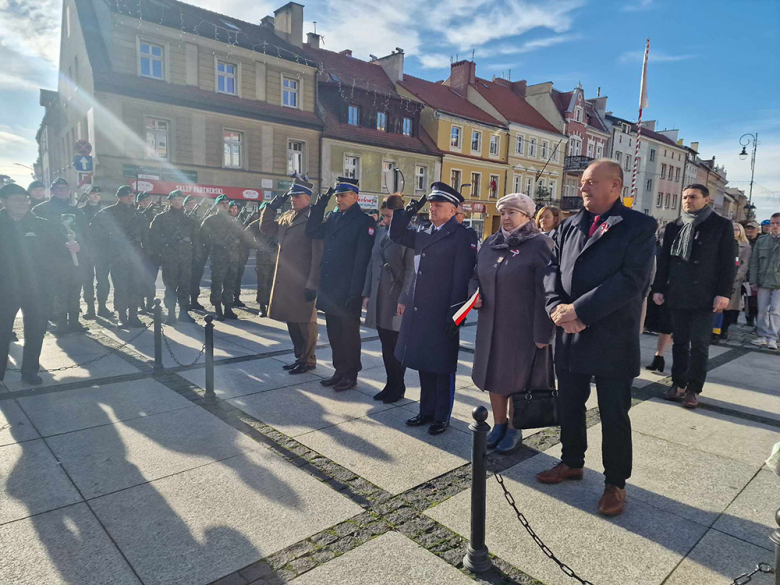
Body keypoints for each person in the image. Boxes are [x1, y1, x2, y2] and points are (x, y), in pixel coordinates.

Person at [539, 159, 656, 517]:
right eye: (582, 182)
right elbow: (552, 270)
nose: (583, 188)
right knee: (570, 403)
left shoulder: (638, 226)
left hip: (611, 333)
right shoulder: (568, 225)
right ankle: (571, 461)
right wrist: (557, 307)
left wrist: (581, 312)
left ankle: (616, 484)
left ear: (615, 186)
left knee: (613, 412)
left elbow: (632, 280)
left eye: (590, 182)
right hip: (569, 334)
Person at [390, 182, 478, 435]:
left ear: (453, 210)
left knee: (442, 366)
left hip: (443, 310)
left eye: (438, 205)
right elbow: (395, 234)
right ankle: (425, 410)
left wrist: (456, 315)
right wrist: (407, 211)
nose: (432, 209)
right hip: (421, 309)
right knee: (422, 362)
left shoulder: (463, 236)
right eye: (431, 205)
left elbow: (462, 278)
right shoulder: (423, 230)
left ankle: (442, 415)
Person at [471, 193, 553, 453]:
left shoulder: (541, 244)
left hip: (522, 328)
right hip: (491, 325)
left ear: (527, 217)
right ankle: (498, 424)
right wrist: (475, 295)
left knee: (518, 381)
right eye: (503, 212)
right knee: (494, 376)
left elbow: (547, 291)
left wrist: (544, 333)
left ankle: (515, 428)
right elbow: (475, 275)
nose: (506, 217)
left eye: (512, 212)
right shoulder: (490, 242)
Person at [653, 184, 735, 408]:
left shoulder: (721, 225)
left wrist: (723, 293)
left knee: (699, 343)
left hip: (706, 295)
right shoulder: (674, 226)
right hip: (678, 292)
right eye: (685, 197)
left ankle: (693, 389)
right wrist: (658, 288)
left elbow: (728, 263)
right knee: (679, 341)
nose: (688, 201)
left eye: (693, 197)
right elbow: (665, 261)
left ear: (706, 200)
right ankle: (678, 383)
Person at [1, 183, 78, 385]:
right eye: (16, 200)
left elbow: (62, 248)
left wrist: (72, 247)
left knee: (35, 330)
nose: (22, 204)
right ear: (3, 202)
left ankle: (30, 371)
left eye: (25, 200)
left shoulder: (42, 224)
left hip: (37, 287)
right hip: (5, 288)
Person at [306, 177, 375, 391]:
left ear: (355, 197)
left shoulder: (364, 222)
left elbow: (362, 259)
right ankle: (339, 370)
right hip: (330, 286)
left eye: (343, 195)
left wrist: (355, 291)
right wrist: (320, 204)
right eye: (336, 195)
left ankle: (351, 373)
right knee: (334, 333)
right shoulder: (333, 217)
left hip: (347, 289)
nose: (339, 199)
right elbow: (311, 231)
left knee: (349, 335)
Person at [252, 181, 323, 374]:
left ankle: (308, 360)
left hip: (303, 278)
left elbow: (318, 254)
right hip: (285, 277)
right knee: (291, 319)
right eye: (292, 196)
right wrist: (271, 207)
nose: (293, 199)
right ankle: (299, 356)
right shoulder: (286, 216)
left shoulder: (314, 219)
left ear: (308, 198)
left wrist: (313, 283)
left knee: (306, 321)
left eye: (297, 196)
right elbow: (266, 227)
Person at [362, 195, 415, 403]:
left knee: (395, 345)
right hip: (379, 294)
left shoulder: (409, 235)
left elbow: (411, 270)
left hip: (396, 296)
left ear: (399, 215)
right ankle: (390, 383)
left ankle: (398, 385)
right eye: (383, 216)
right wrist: (366, 293)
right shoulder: (381, 232)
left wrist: (404, 298)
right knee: (385, 343)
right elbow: (371, 263)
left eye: (388, 216)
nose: (384, 220)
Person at [32, 177, 89, 335]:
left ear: (68, 191)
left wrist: (79, 245)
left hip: (75, 258)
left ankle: (74, 321)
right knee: (59, 292)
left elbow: (86, 234)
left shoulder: (76, 212)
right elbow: (39, 237)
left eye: (64, 188)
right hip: (54, 259)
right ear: (52, 190)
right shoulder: (40, 210)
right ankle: (61, 323)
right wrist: (59, 245)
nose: (62, 191)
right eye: (58, 188)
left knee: (75, 291)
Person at [90, 186, 148, 328]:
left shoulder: (139, 215)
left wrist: (146, 253)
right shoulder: (107, 213)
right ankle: (122, 316)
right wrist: (108, 247)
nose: (130, 198)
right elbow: (95, 234)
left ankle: (134, 315)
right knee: (121, 286)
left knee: (135, 286)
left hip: (135, 255)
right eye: (127, 195)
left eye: (132, 196)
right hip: (117, 255)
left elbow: (146, 236)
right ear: (119, 197)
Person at [149, 190, 198, 324]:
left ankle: (183, 312)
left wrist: (196, 256)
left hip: (186, 258)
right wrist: (165, 245)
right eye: (175, 200)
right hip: (170, 257)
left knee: (185, 285)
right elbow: (153, 237)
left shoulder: (189, 220)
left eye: (180, 200)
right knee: (170, 286)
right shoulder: (161, 218)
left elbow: (196, 239)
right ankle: (170, 313)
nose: (177, 202)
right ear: (170, 201)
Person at [199, 195, 243, 321]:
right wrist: (214, 243)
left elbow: (242, 236)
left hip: (233, 257)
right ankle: (218, 309)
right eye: (222, 203)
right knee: (217, 282)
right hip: (219, 257)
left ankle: (228, 308)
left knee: (230, 283)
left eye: (227, 203)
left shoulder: (235, 220)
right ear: (217, 205)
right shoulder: (211, 220)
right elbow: (201, 236)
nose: (225, 205)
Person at [79, 185, 111, 319]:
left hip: (102, 250)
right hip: (86, 250)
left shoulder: (105, 212)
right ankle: (90, 308)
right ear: (87, 195)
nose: (95, 196)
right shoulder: (80, 212)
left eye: (98, 194)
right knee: (87, 280)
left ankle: (102, 306)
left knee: (103, 280)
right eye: (92, 194)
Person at [645, 227, 673, 373]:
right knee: (665, 326)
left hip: (667, 289)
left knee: (667, 326)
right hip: (657, 289)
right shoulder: (656, 247)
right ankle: (659, 356)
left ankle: (659, 356)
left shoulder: (661, 249)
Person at [750, 213, 780, 349]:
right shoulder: (762, 241)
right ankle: (762, 335)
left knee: (775, 310)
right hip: (763, 280)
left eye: (778, 223)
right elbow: (754, 262)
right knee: (762, 309)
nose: (774, 226)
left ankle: (772, 337)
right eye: (772, 223)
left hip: (778, 282)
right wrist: (753, 280)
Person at [719, 223, 752, 341]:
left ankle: (724, 329)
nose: (735, 231)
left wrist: (735, 276)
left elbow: (744, 265)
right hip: (721, 278)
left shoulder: (745, 247)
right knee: (719, 307)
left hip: (735, 280)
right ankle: (716, 329)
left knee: (730, 307)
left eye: (737, 229)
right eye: (733, 229)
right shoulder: (723, 242)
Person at [250, 202, 278, 317]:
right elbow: (245, 236)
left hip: (274, 258)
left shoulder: (276, 224)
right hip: (262, 258)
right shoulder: (255, 225)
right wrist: (258, 245)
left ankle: (271, 305)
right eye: (263, 211)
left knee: (273, 283)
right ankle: (262, 306)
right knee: (262, 282)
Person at [136, 192, 159, 313]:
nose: (146, 202)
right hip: (140, 252)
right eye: (144, 200)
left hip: (153, 252)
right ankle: (141, 303)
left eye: (148, 200)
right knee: (140, 278)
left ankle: (150, 302)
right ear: (139, 202)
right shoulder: (135, 214)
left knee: (151, 279)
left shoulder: (154, 215)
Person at [229, 201, 251, 309]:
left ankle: (236, 298)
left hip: (241, 254)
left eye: (236, 209)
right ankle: (228, 300)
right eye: (232, 208)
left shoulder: (240, 221)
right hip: (230, 255)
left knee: (238, 278)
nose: (234, 211)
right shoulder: (225, 221)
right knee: (229, 279)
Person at [744, 220, 761, 326]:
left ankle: (754, 318)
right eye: (748, 228)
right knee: (746, 299)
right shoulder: (743, 241)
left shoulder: (760, 241)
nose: (750, 230)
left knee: (754, 299)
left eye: (752, 228)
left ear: (757, 230)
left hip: (755, 274)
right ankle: (748, 318)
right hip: (744, 273)